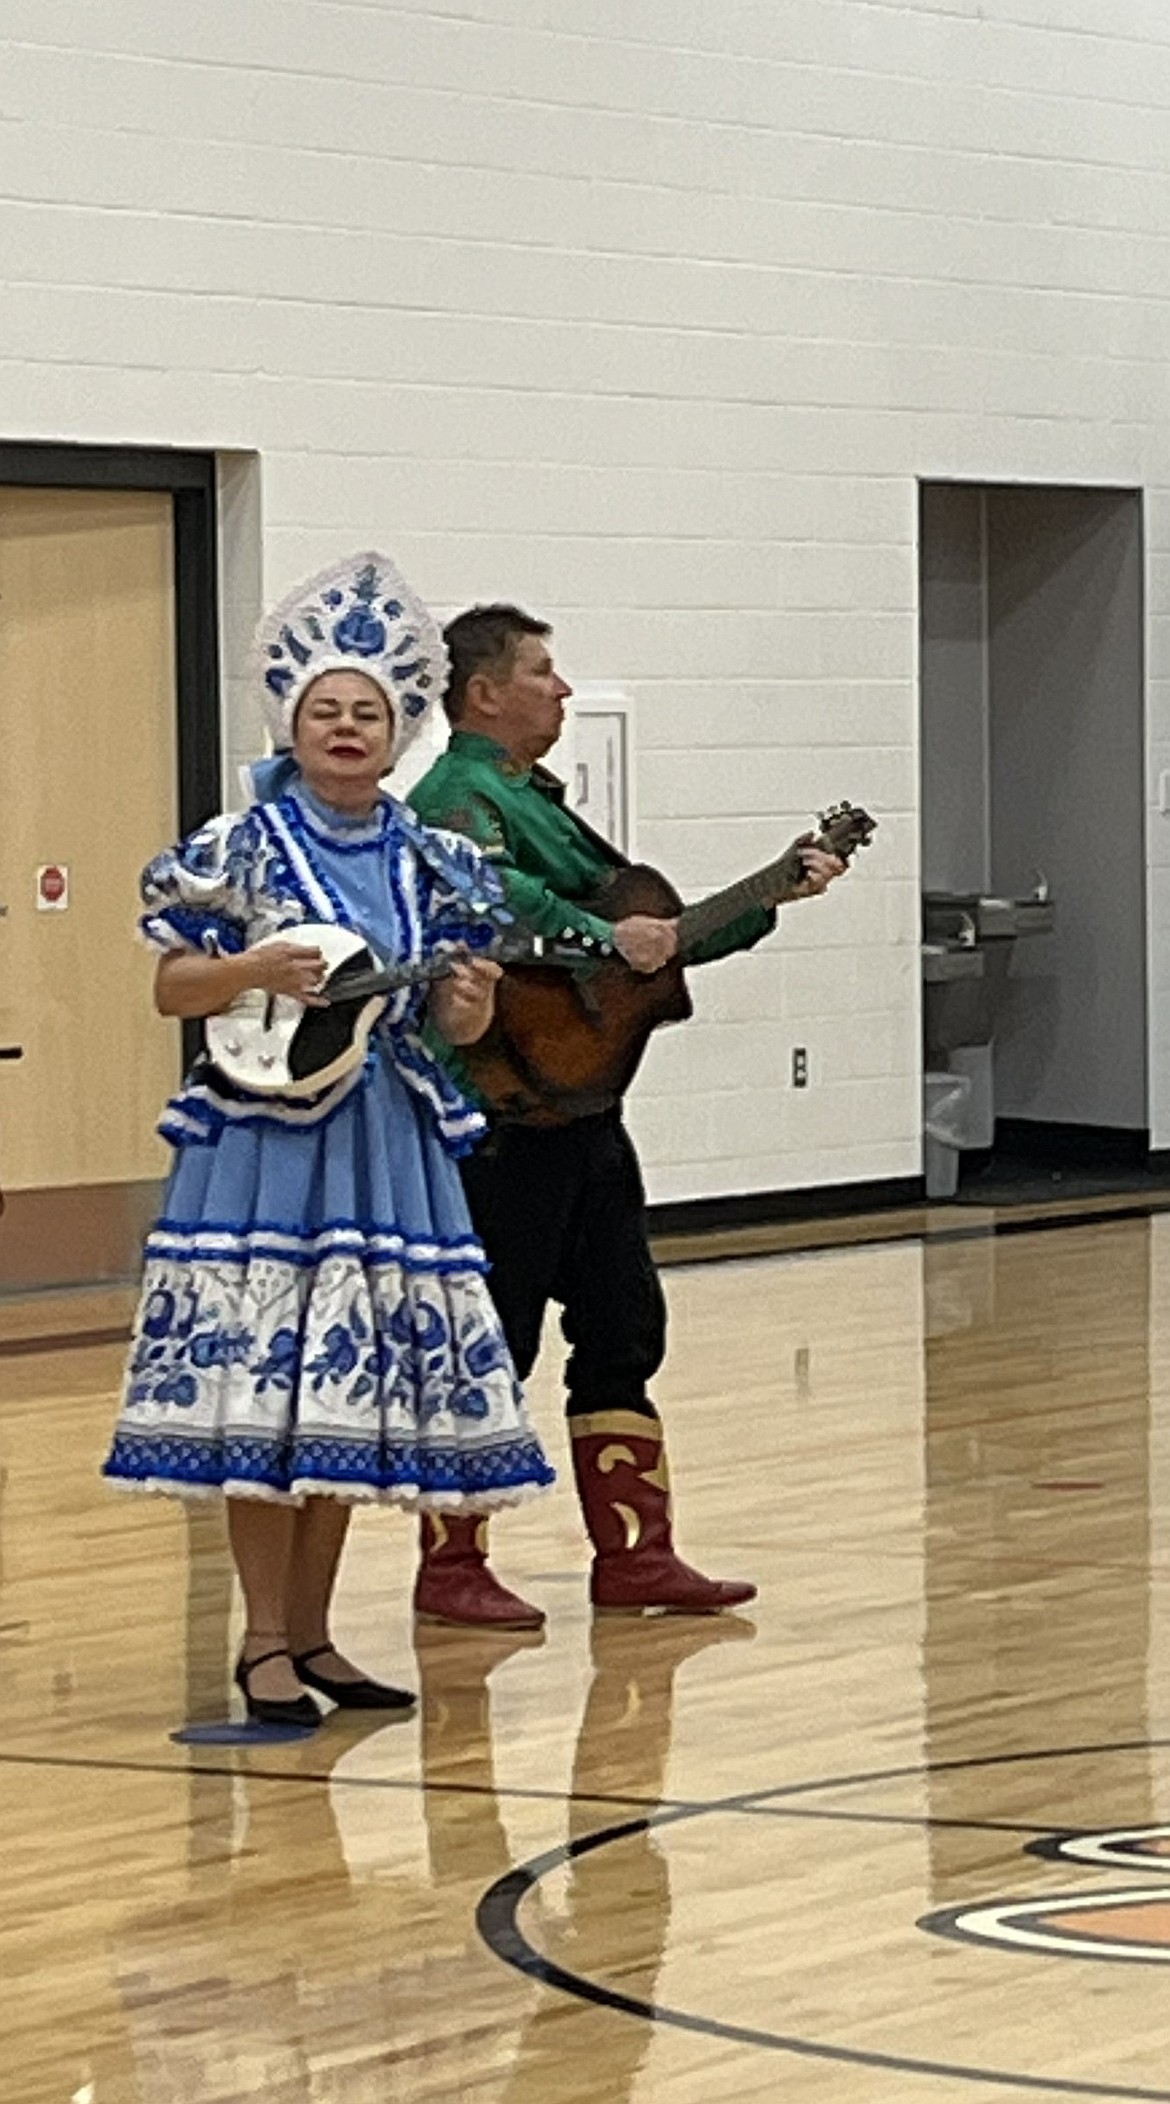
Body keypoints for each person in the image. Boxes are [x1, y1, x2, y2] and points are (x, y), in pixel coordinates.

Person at [103, 555, 554, 1728]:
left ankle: (315, 1636)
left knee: (343, 1390)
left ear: (402, 729)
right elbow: (173, 989)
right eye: (326, 712)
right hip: (262, 1149)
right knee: (265, 1390)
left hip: (383, 1140)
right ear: (291, 723)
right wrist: (253, 969)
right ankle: (260, 1641)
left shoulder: (433, 861)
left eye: (369, 713)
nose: (347, 730)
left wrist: (467, 1000)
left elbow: (464, 1019)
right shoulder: (240, 846)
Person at [407, 604, 844, 1629]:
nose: (562, 690)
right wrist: (605, 940)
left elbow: (648, 946)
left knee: (622, 1322)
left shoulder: (535, 798)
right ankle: (451, 1562)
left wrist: (770, 896)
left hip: (581, 1115)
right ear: (483, 693)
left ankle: (637, 1554)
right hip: (499, 1118)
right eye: (543, 672)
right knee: (492, 1339)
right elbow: (488, 902)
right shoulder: (454, 796)